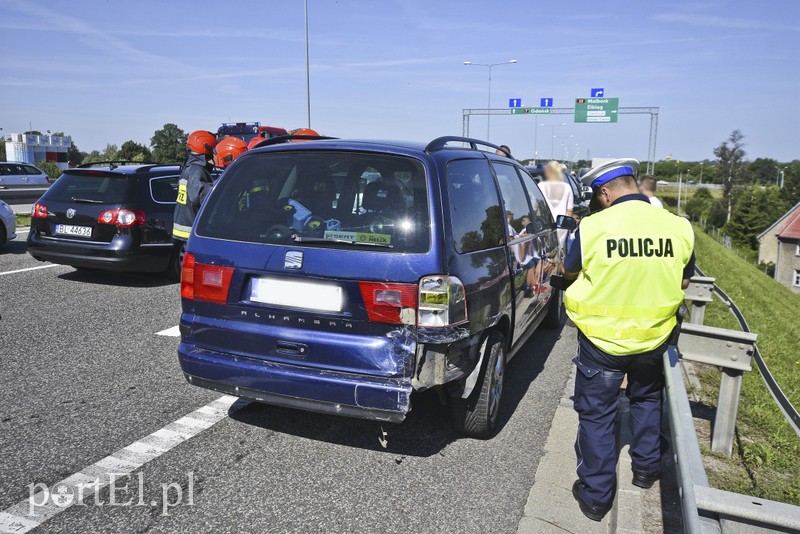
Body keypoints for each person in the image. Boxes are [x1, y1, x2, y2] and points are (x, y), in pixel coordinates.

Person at [560, 158, 695, 521]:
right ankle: (646, 470)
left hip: (602, 343)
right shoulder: (678, 226)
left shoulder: (593, 227)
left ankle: (596, 498)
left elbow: (569, 270)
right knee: (647, 399)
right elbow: (684, 280)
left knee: (597, 416)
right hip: (654, 338)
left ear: (605, 192)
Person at [172, 130, 217, 241]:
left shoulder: (188, 168)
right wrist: (219, 190)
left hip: (185, 231)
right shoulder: (196, 170)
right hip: (192, 232)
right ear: (207, 147)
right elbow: (199, 196)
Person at [538, 160, 574, 251]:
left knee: (544, 252)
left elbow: (536, 206)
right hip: (561, 226)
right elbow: (570, 211)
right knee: (559, 252)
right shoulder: (567, 187)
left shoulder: (540, 186)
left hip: (544, 226)